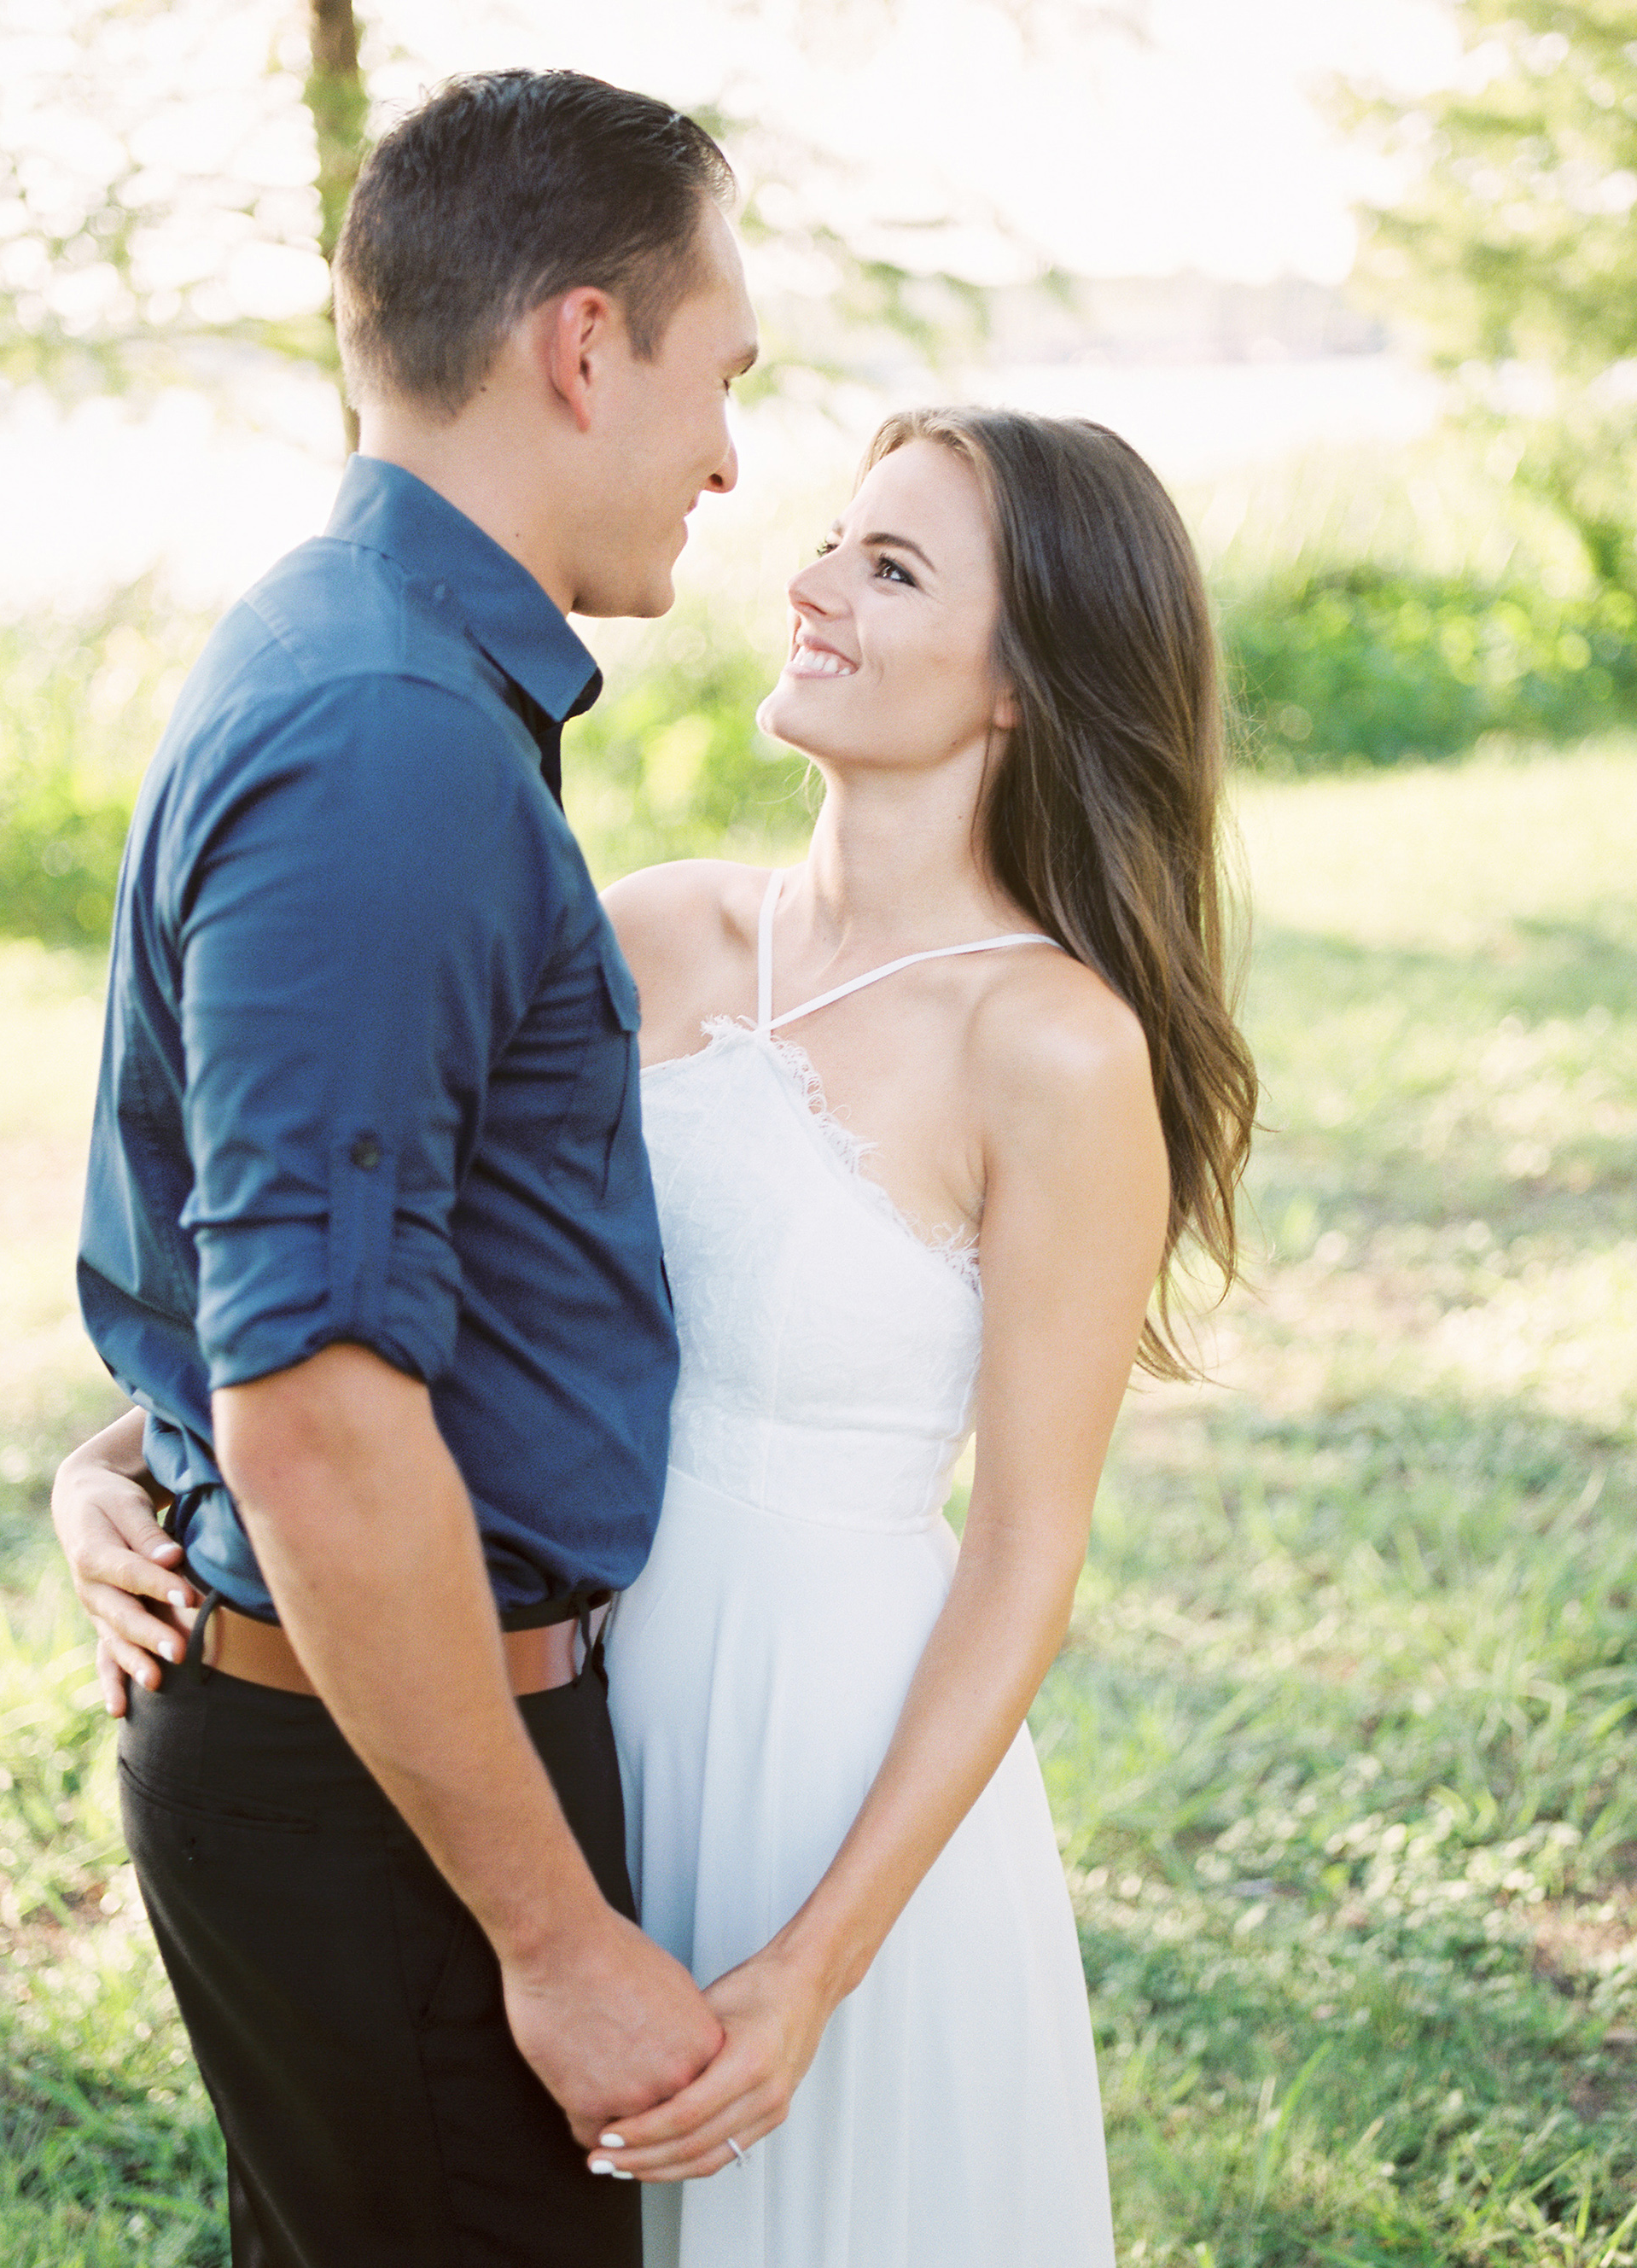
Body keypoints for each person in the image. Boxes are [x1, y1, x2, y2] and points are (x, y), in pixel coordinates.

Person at [53, 67, 760, 2268]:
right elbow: (320, 1413)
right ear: (579, 345)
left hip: (365, 1750)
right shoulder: (384, 740)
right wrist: (550, 1939)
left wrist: (127, 1450)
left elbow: (251, 1259)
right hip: (397, 1797)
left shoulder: (363, 660)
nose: (733, 455)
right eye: (719, 374)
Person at [574, 405, 1259, 2263]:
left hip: (836, 1774)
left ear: (1024, 680)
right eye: (830, 540)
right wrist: (122, 1457)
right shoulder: (643, 934)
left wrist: (809, 1968)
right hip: (571, 1732)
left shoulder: (1047, 1045)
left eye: (890, 569)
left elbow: (1029, 1550)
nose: (807, 588)